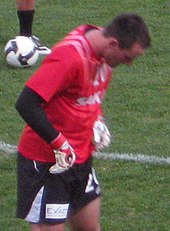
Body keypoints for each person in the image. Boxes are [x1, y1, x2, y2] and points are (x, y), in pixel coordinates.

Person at [15, 13, 151, 231]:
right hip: (47, 163)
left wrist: (96, 120)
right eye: (127, 57)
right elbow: (26, 103)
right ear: (113, 43)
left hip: (80, 158)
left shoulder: (103, 48)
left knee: (89, 226)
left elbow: (86, 94)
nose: (129, 64)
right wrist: (59, 143)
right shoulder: (69, 58)